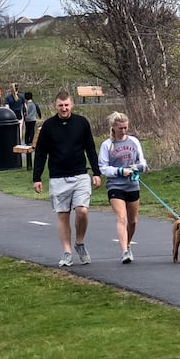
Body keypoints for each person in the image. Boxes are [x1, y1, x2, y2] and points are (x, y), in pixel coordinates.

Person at [31, 91, 102, 267]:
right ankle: (67, 251)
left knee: (82, 211)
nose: (64, 108)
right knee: (63, 215)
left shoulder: (81, 122)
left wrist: (96, 172)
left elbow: (91, 148)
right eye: (60, 105)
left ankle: (79, 242)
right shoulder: (48, 126)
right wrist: (37, 177)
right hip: (58, 176)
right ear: (55, 106)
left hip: (80, 175)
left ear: (72, 105)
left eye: (67, 105)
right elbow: (40, 153)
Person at [98, 111, 149, 264]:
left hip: (132, 185)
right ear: (113, 127)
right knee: (122, 218)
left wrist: (138, 167)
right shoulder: (107, 145)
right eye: (121, 128)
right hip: (115, 185)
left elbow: (143, 162)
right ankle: (124, 252)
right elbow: (103, 168)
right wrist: (120, 171)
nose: (124, 131)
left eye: (126, 127)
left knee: (132, 221)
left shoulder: (134, 141)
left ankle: (127, 243)